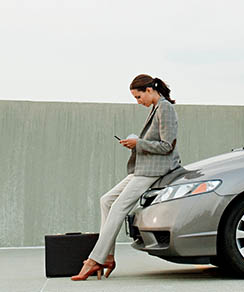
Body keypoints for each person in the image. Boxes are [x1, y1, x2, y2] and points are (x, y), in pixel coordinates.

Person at [71, 74, 181, 280]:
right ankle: (108, 257)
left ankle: (94, 260)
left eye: (139, 97)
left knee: (118, 207)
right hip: (144, 168)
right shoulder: (156, 108)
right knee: (106, 200)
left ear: (149, 90)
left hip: (155, 169)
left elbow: (167, 146)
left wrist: (137, 143)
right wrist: (136, 142)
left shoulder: (165, 108)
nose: (138, 102)